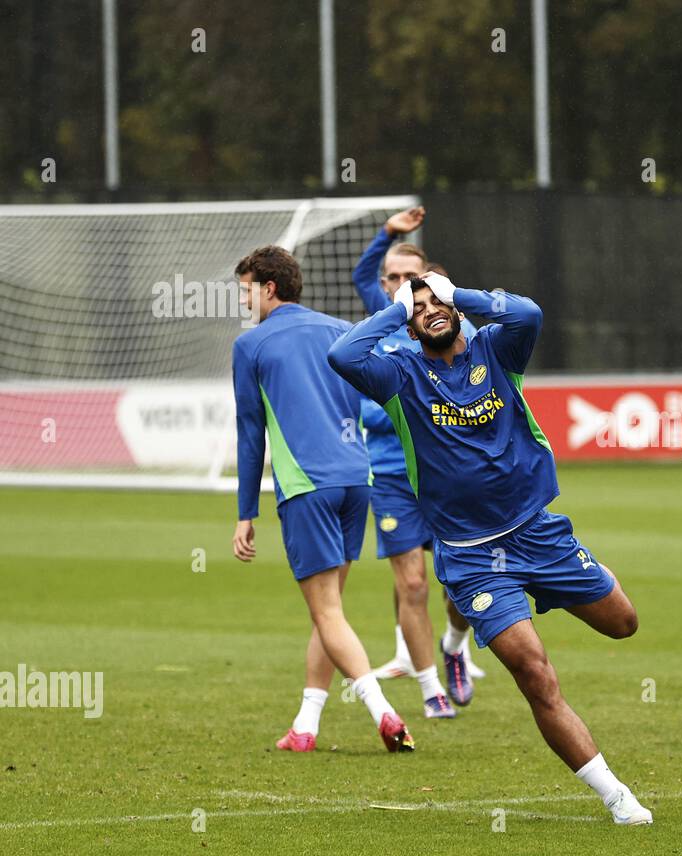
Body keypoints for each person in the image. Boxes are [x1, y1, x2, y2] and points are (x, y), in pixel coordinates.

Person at [327, 271, 652, 824]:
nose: (428, 310)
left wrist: (458, 294)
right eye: (418, 306)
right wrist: (397, 307)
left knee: (623, 623)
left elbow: (528, 312)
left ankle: (482, 628)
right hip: (474, 558)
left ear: (454, 306)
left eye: (436, 301)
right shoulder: (399, 373)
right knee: (536, 673)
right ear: (407, 320)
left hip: (539, 533)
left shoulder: (496, 349)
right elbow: (343, 353)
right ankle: (617, 798)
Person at [230, 245, 414, 753]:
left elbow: (251, 436)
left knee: (327, 611)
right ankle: (305, 726)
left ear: (268, 288)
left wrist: (246, 513)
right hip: (358, 478)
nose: (242, 300)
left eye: (245, 289)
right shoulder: (340, 329)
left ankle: (384, 713)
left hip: (306, 484)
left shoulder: (251, 346)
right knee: (329, 611)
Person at [350, 206, 482, 709]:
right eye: (396, 278)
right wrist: (387, 232)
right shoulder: (377, 332)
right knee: (411, 581)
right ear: (386, 287)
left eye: (414, 277)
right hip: (389, 476)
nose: (404, 285)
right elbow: (375, 411)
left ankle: (454, 646)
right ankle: (431, 691)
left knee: (460, 584)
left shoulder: (444, 333)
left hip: (445, 478)